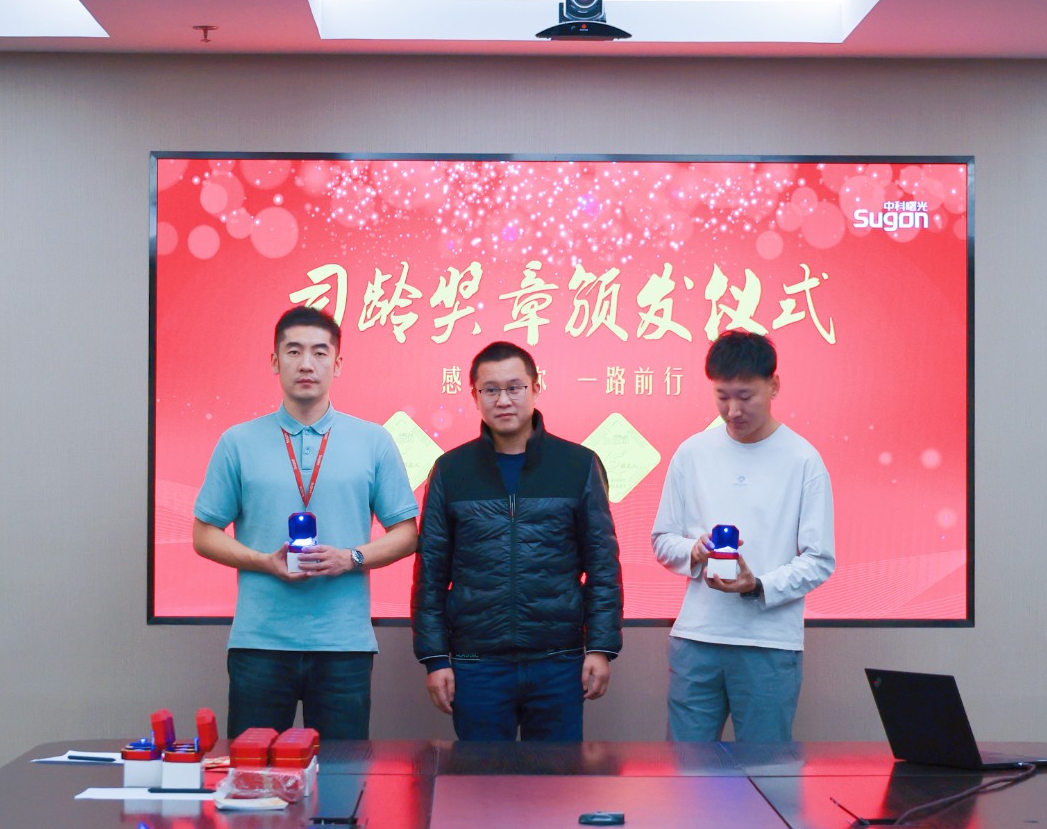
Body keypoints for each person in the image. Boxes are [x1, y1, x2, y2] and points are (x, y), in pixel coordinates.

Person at [193, 305, 419, 739]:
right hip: (260, 643)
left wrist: (350, 558)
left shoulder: (374, 440)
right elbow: (204, 535)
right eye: (293, 351)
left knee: (341, 773)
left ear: (338, 363)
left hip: (344, 645)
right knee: (255, 771)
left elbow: (407, 533)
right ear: (275, 361)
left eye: (319, 352)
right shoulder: (237, 441)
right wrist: (264, 561)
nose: (306, 364)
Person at [411, 340, 623, 741]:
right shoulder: (451, 469)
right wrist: (435, 658)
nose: (503, 400)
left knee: (556, 777)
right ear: (474, 396)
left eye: (515, 388)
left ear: (536, 388)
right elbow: (431, 573)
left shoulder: (578, 464)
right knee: (483, 776)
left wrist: (600, 647)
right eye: (490, 390)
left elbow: (602, 565)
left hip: (558, 661)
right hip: (477, 664)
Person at [651, 331, 834, 743]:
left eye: (745, 396)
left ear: (774, 386)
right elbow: (663, 539)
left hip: (768, 643)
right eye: (722, 396)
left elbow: (819, 559)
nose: (733, 411)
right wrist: (694, 549)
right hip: (697, 638)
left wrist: (758, 585)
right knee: (685, 769)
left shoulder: (803, 460)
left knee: (766, 769)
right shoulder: (692, 453)